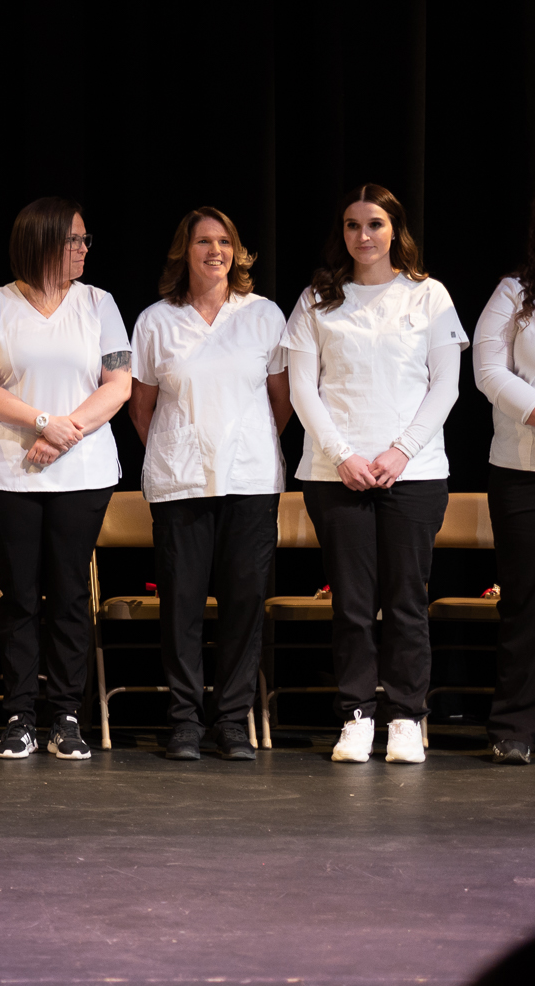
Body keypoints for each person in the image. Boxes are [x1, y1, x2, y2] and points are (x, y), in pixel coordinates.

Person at [286, 185, 466, 764]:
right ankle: (357, 714)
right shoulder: (317, 299)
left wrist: (401, 451)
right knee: (353, 603)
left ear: (395, 231)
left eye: (375, 224)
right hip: (334, 471)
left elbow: (446, 385)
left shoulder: (428, 296)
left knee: (407, 601)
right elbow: (301, 390)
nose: (362, 235)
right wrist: (343, 454)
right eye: (352, 225)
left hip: (412, 473)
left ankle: (408, 718)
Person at [0, 196, 132, 761]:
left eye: (86, 240)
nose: (84, 249)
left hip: (81, 471)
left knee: (68, 595)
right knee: (19, 595)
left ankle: (64, 714)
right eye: (74, 240)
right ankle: (18, 715)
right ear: (42, 242)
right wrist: (40, 422)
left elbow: (118, 384)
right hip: (9, 471)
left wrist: (65, 431)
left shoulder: (100, 303)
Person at [128, 207, 290, 762]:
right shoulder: (155, 321)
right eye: (203, 242)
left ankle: (232, 722)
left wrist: (246, 441)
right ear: (185, 251)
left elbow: (281, 402)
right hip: (180, 482)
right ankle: (183, 722)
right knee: (182, 604)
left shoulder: (264, 315)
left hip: (250, 479)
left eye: (225, 242)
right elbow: (141, 407)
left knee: (245, 603)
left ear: (237, 252)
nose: (215, 251)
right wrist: (182, 447)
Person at [473, 204, 535, 766]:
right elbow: (487, 368)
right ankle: (514, 726)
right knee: (524, 600)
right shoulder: (516, 291)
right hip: (523, 470)